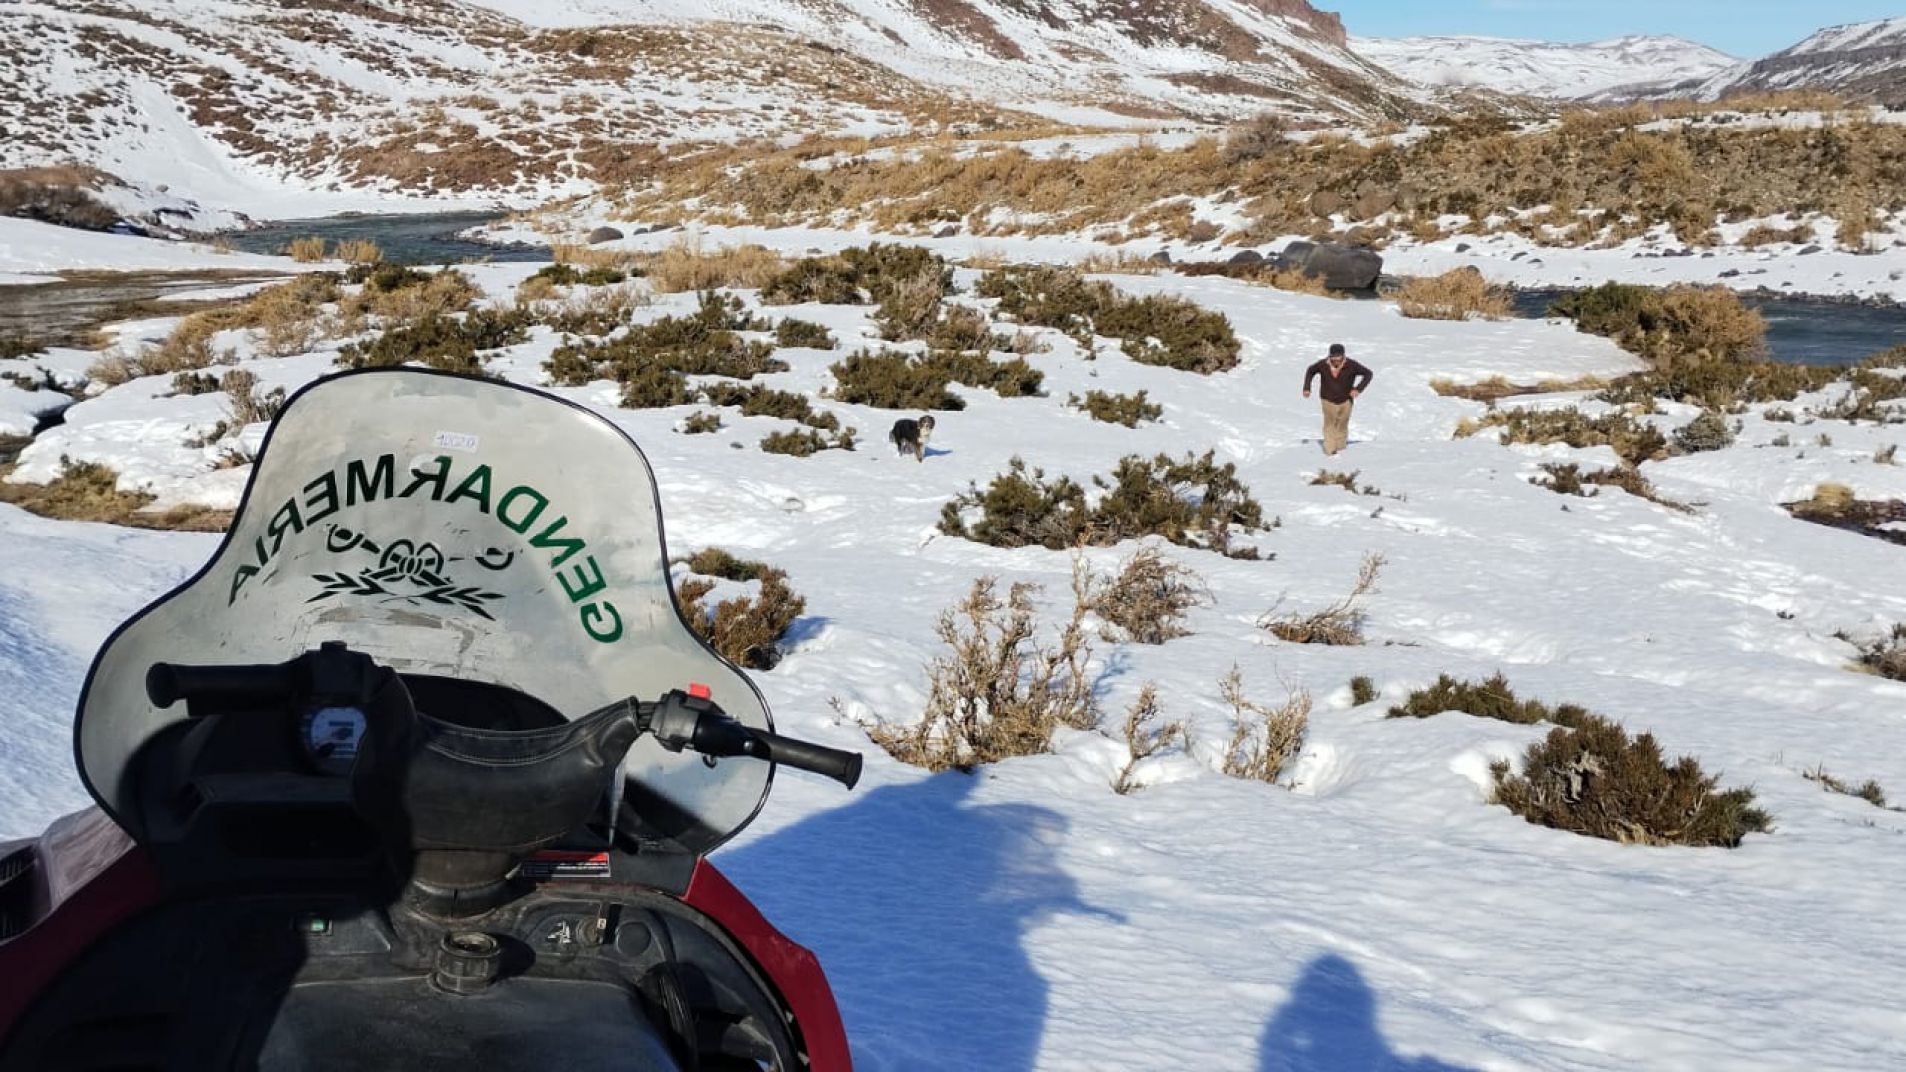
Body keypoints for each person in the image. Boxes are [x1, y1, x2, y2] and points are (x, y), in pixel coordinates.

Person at [1301, 343, 1372, 456]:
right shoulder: (1323, 364)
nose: (1336, 360)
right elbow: (1310, 371)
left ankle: (1340, 450)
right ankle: (1330, 451)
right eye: (1333, 357)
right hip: (1328, 399)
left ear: (1343, 356)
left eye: (1338, 357)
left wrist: (1358, 389)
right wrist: (1307, 388)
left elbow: (1368, 374)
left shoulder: (1351, 365)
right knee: (1329, 425)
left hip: (1346, 401)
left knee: (1342, 425)